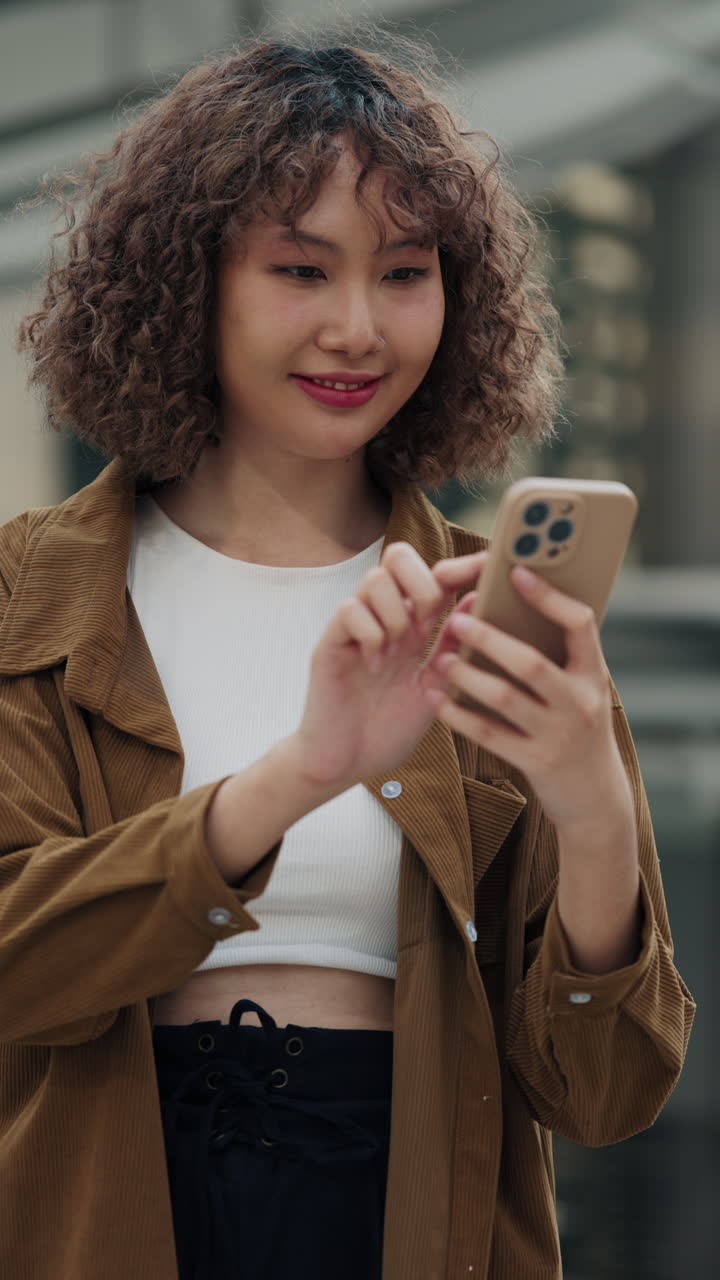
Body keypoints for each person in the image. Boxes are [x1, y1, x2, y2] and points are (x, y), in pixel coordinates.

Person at [0, 28, 695, 1280]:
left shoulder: (499, 608)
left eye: (408, 272)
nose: (360, 329)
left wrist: (592, 807)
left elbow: (602, 1094)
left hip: (412, 1214)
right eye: (301, 269)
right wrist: (303, 771)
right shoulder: (23, 592)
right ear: (187, 281)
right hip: (101, 1209)